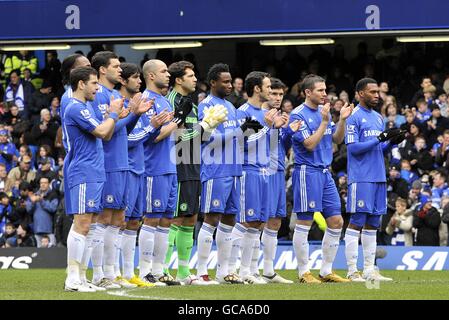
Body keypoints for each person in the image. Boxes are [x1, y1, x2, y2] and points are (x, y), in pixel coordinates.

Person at [89, 51, 150, 289]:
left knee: (118, 219)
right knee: (104, 217)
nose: (119, 70)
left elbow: (121, 128)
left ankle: (112, 272)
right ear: (103, 70)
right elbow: (107, 129)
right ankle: (99, 274)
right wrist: (130, 114)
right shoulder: (98, 95)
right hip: (109, 162)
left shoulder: (114, 94)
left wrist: (135, 114)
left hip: (122, 162)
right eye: (115, 66)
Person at [288, 74, 353, 283]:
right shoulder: (298, 114)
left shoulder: (324, 113)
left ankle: (326, 271)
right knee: (305, 221)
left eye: (325, 90)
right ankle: (303, 272)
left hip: (326, 172)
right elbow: (309, 144)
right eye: (321, 90)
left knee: (336, 221)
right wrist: (325, 122)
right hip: (307, 171)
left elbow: (338, 139)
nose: (325, 94)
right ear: (308, 92)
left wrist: (341, 119)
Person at [63, 66, 123, 292]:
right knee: (82, 223)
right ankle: (72, 279)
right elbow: (100, 131)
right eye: (94, 84)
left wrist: (112, 118)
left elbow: (106, 133)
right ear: (81, 84)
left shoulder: (86, 107)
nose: (98, 88)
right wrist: (114, 114)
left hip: (95, 170)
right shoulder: (75, 107)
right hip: (83, 171)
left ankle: (81, 276)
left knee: (89, 225)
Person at [344, 78, 405, 282]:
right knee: (357, 221)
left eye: (378, 92)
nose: (377, 95)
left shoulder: (378, 118)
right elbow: (353, 148)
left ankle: (370, 270)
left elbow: (378, 149)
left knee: (373, 223)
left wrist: (391, 142)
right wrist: (380, 138)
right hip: (361, 177)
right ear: (360, 94)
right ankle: (352, 271)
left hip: (379, 176)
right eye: (372, 92)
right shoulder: (353, 117)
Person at [138, 59, 189, 286]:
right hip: (153, 168)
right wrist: (172, 124)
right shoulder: (144, 101)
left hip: (170, 168)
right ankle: (145, 271)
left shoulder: (164, 102)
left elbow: (175, 134)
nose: (168, 75)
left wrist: (180, 124)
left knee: (167, 219)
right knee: (151, 218)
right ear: (150, 76)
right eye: (163, 71)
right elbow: (151, 137)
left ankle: (159, 271)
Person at [117, 62, 167, 288]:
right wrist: (153, 127)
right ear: (124, 81)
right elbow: (126, 140)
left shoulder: (136, 104)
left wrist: (152, 127)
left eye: (139, 77)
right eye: (135, 78)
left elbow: (141, 137)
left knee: (133, 222)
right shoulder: (121, 106)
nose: (139, 82)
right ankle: (110, 272)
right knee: (117, 221)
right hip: (125, 169)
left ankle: (129, 274)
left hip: (139, 169)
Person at [26, 176, 58, 247]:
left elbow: (53, 208)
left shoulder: (53, 194)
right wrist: (32, 202)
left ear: (49, 184)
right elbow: (28, 210)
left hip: (49, 230)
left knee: (52, 251)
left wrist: (41, 201)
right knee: (39, 253)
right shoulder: (35, 195)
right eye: (41, 183)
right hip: (37, 229)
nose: (43, 185)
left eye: (45, 183)